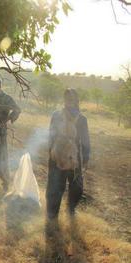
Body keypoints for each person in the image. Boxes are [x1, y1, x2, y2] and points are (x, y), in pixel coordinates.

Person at [46, 89, 90, 220]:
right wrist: (51, 153)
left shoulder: (82, 119)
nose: (69, 100)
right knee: (55, 187)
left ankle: (71, 209)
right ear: (64, 100)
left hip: (74, 158)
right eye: (67, 98)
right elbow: (51, 134)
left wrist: (86, 157)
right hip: (57, 155)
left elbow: (85, 139)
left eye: (72, 98)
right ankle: (52, 216)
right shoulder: (57, 115)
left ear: (76, 100)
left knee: (77, 188)